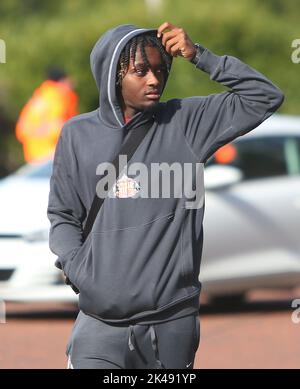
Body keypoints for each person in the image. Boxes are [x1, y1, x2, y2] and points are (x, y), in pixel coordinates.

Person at [47, 22, 284, 369]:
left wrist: (199, 55)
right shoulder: (76, 134)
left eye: (160, 70)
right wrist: (79, 267)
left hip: (169, 327)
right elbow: (63, 215)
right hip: (97, 326)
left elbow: (265, 96)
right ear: (113, 74)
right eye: (140, 71)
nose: (154, 80)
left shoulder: (185, 122)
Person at [16, 68, 78, 163]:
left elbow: (21, 129)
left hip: (34, 157)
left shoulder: (39, 97)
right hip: (51, 154)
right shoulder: (57, 97)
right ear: (62, 81)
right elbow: (61, 126)